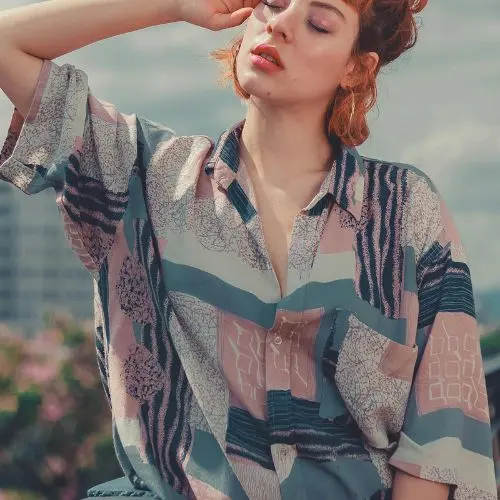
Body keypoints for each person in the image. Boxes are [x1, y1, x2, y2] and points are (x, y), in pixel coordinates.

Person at [0, 0, 496, 498]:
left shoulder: (403, 209)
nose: (280, 23)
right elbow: (6, 40)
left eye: (319, 23)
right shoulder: (148, 174)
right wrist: (171, 5)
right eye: (273, 4)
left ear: (356, 67)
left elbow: (440, 442)